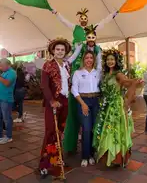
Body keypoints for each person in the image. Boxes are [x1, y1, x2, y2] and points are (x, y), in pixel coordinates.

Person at [39, 38, 81, 178]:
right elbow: (44, 85)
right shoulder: (47, 65)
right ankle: (44, 164)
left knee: (60, 130)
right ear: (53, 50)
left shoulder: (67, 65)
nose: (60, 52)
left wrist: (79, 48)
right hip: (53, 102)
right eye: (57, 49)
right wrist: (51, 100)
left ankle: (57, 160)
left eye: (62, 50)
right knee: (51, 130)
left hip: (65, 101)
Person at [93, 48, 141, 167]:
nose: (110, 61)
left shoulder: (118, 74)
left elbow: (127, 82)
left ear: (116, 61)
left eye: (112, 59)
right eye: (108, 59)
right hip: (106, 106)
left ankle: (117, 158)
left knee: (114, 131)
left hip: (116, 107)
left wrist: (134, 81)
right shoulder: (105, 75)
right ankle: (109, 156)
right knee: (106, 130)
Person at [63, 25, 102, 154]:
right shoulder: (80, 49)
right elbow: (72, 58)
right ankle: (78, 150)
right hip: (81, 97)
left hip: (94, 99)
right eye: (88, 36)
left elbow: (101, 67)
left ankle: (93, 150)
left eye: (93, 36)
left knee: (94, 126)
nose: (89, 60)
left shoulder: (98, 54)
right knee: (81, 124)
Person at [71, 50, 101, 167]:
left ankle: (92, 154)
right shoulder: (78, 73)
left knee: (94, 128)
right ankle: (85, 156)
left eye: (91, 58)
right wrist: (83, 104)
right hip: (83, 101)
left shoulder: (97, 72)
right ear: (83, 60)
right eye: (87, 58)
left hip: (96, 101)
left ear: (94, 60)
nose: (89, 60)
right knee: (86, 128)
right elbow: (74, 90)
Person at [0, 58, 16, 144]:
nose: (0, 67)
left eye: (2, 66)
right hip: (1, 98)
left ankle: (9, 137)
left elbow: (7, 83)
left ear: (7, 65)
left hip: (6, 99)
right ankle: (1, 136)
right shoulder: (4, 72)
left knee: (7, 119)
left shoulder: (12, 73)